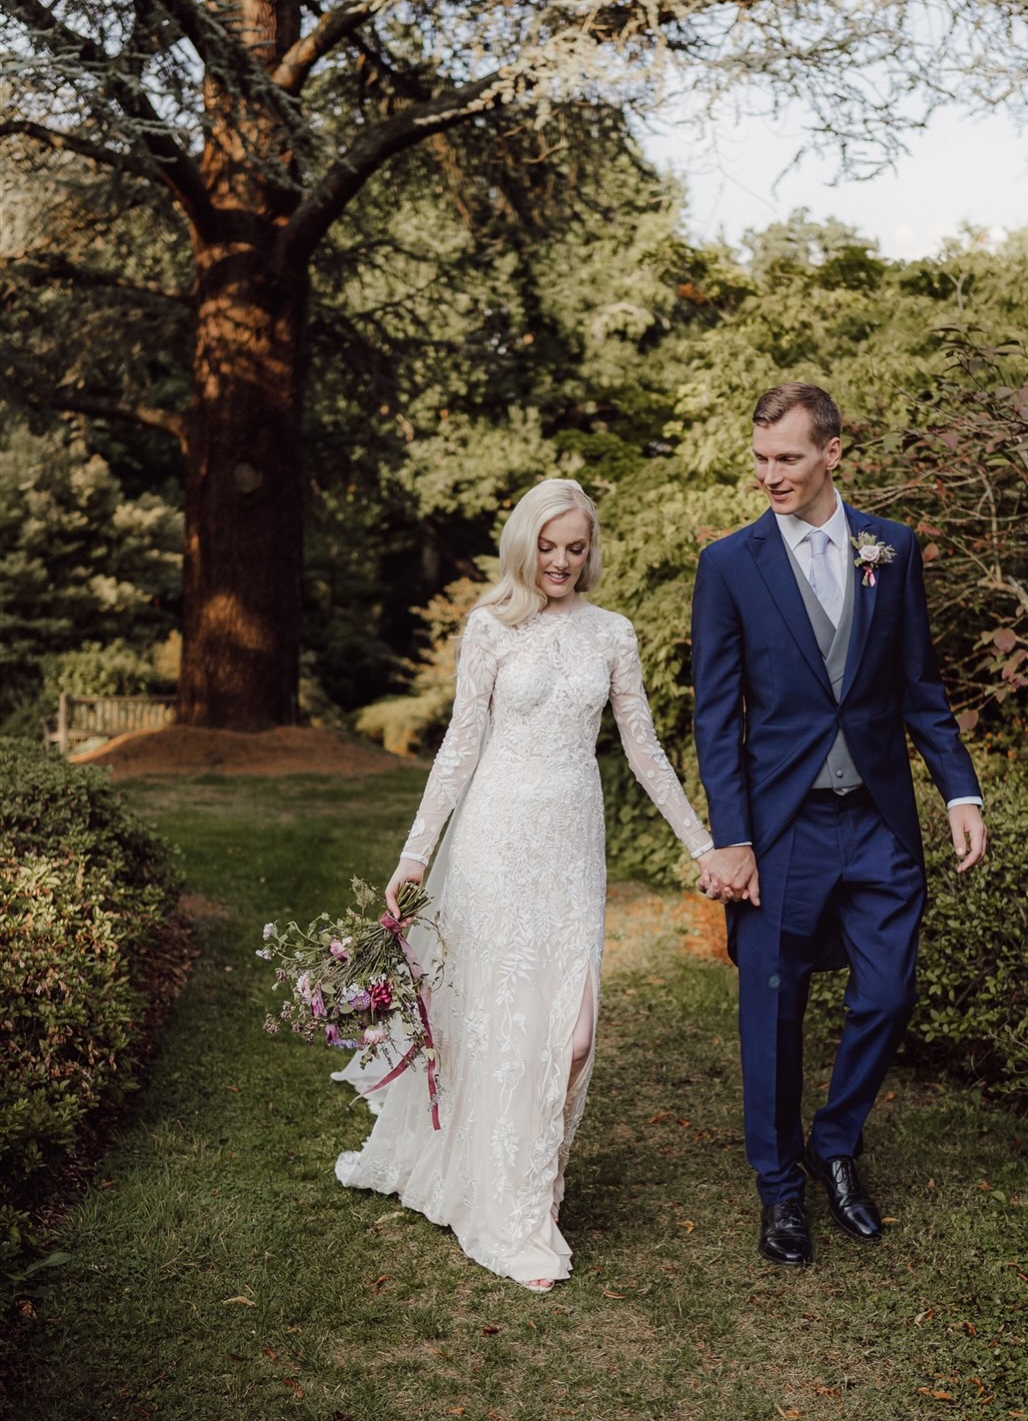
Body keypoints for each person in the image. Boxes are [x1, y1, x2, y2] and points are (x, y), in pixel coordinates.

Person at [335, 478, 726, 1291]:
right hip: (494, 839)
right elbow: (459, 748)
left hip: (570, 850)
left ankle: (530, 1180)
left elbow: (644, 749)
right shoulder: (490, 627)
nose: (560, 561)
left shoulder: (612, 633)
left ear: (589, 551)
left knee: (572, 1034)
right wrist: (415, 855)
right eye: (547, 546)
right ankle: (515, 1207)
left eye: (574, 547)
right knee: (501, 1022)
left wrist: (702, 844)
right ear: (524, 546)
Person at [691, 383, 987, 1266]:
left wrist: (959, 792)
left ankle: (834, 1141)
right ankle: (780, 1190)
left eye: (786, 457)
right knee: (772, 1011)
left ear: (831, 453)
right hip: (780, 826)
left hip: (878, 819)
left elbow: (918, 684)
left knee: (888, 993)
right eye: (759, 459)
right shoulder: (729, 564)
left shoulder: (888, 549)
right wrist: (731, 836)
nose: (769, 475)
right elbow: (717, 716)